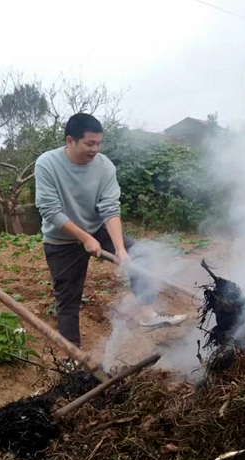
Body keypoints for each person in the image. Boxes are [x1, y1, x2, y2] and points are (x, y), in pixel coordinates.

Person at [35, 113, 186, 350]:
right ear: (70, 140)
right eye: (89, 143)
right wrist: (84, 238)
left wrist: (120, 249)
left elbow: (110, 208)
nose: (95, 149)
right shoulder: (47, 163)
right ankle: (72, 356)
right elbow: (49, 210)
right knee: (67, 298)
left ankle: (147, 314)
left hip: (98, 229)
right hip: (61, 240)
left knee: (140, 255)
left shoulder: (104, 166)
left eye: (98, 143)